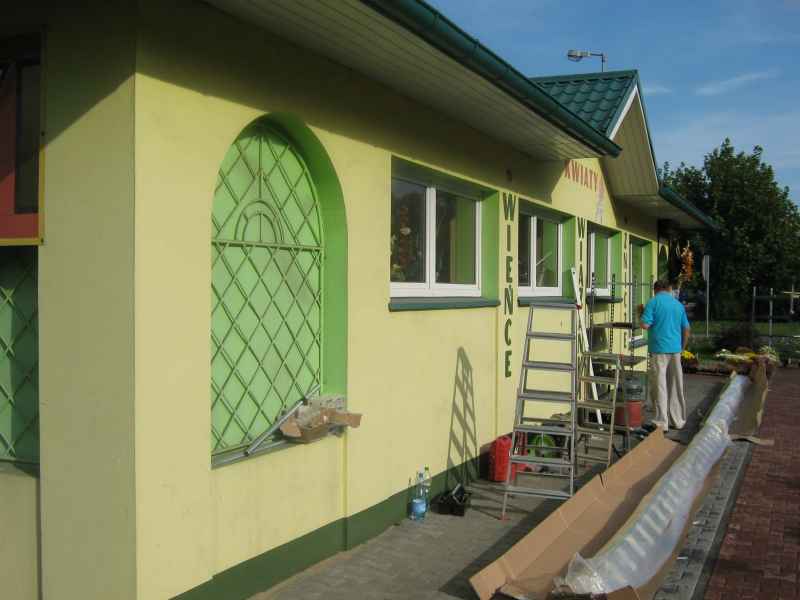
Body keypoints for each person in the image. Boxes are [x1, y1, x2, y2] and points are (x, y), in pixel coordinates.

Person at [640, 280, 690, 431]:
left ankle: (662, 422)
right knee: (676, 385)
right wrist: (682, 347)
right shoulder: (678, 305)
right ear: (668, 289)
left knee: (660, 386)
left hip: (659, 349)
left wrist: (641, 314)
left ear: (655, 290)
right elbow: (686, 329)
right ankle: (678, 420)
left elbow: (645, 325)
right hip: (675, 350)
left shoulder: (653, 302)